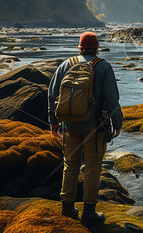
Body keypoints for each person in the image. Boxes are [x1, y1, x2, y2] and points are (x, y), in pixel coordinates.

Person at [48, 31, 122, 228]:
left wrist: (53, 122)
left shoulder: (66, 65)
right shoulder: (104, 67)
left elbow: (52, 94)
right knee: (92, 167)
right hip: (95, 127)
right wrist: (118, 123)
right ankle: (89, 212)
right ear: (96, 47)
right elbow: (113, 99)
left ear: (79, 47)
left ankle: (67, 209)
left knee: (70, 165)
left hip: (69, 125)